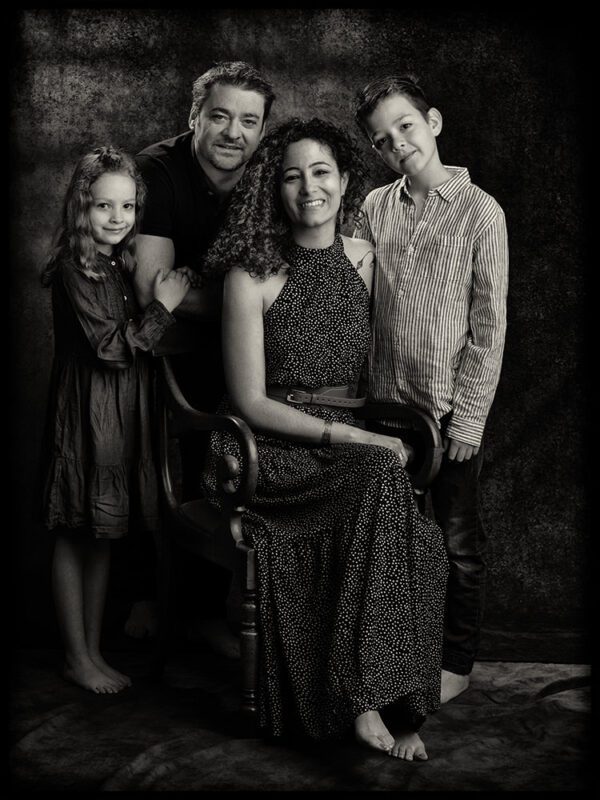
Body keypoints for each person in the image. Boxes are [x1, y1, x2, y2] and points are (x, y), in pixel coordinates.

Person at [201, 117, 449, 760]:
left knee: (412, 524)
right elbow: (250, 401)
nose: (308, 187)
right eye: (291, 176)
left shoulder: (364, 258)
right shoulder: (249, 272)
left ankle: (387, 698)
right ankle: (372, 702)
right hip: (266, 450)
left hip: (345, 443)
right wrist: (350, 438)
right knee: (378, 475)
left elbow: (400, 351)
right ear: (274, 191)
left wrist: (385, 430)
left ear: (344, 181)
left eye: (321, 172)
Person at [353, 75, 509, 703]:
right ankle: (396, 656)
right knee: (396, 539)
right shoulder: (375, 206)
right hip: (385, 408)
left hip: (446, 412)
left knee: (457, 542)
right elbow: (354, 292)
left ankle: (456, 664)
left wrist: (469, 420)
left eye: (406, 128)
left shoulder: (480, 211)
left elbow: (488, 325)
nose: (398, 145)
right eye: (382, 140)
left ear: (434, 122)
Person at [127, 61, 276, 645]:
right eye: (219, 116)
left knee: (244, 460)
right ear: (194, 117)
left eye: (248, 121)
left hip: (247, 350)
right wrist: (251, 304)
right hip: (160, 346)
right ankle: (147, 593)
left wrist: (238, 308)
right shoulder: (157, 170)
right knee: (145, 463)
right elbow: (151, 285)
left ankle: (233, 599)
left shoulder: (269, 175)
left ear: (262, 131)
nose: (233, 133)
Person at [40, 146, 190, 693]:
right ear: (82, 207)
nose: (117, 218)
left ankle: (93, 652)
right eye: (104, 206)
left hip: (119, 413)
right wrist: (164, 307)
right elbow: (109, 347)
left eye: (127, 207)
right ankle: (76, 655)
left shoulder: (116, 264)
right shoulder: (73, 267)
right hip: (87, 412)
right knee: (74, 529)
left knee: (102, 533)